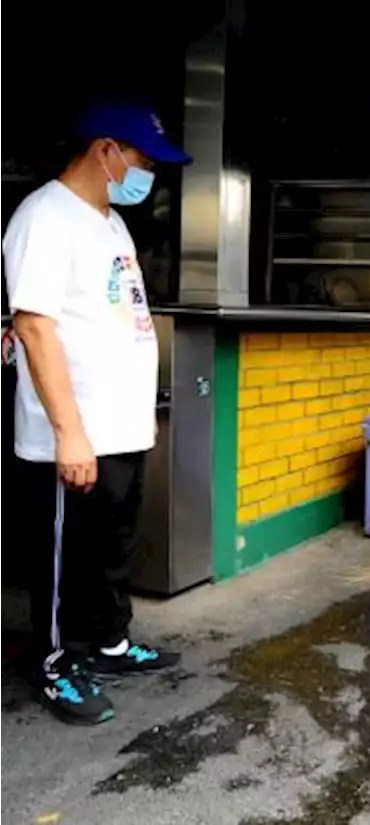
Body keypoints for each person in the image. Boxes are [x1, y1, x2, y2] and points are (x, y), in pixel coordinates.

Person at [3, 100, 191, 725]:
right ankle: (57, 664)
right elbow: (33, 327)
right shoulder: (45, 218)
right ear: (105, 150)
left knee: (112, 545)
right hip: (76, 433)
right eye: (142, 158)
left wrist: (140, 411)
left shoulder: (109, 222)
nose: (149, 173)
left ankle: (110, 642)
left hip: (121, 426)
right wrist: (70, 433)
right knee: (64, 556)